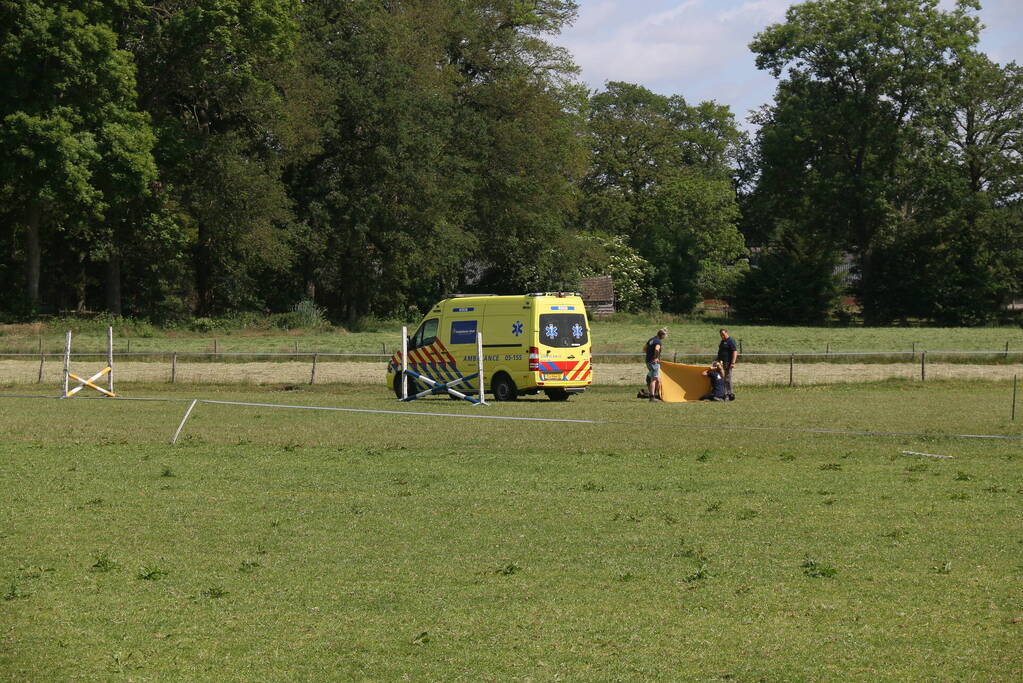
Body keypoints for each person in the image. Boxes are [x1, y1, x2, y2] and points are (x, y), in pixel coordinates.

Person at [644, 328, 667, 402]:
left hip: (648, 361)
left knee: (657, 379)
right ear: (662, 335)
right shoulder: (658, 342)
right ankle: (652, 397)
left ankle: (657, 394)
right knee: (654, 380)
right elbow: (657, 349)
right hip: (654, 363)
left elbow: (644, 349)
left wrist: (649, 355)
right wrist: (656, 358)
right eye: (666, 335)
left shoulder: (651, 340)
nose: (666, 336)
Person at [716, 328, 738, 399]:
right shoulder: (722, 341)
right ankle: (723, 393)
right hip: (721, 363)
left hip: (728, 363)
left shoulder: (731, 341)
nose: (722, 336)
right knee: (721, 378)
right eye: (721, 335)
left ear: (726, 332)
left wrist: (733, 363)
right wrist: (717, 361)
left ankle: (730, 394)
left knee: (728, 379)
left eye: (723, 334)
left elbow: (735, 352)